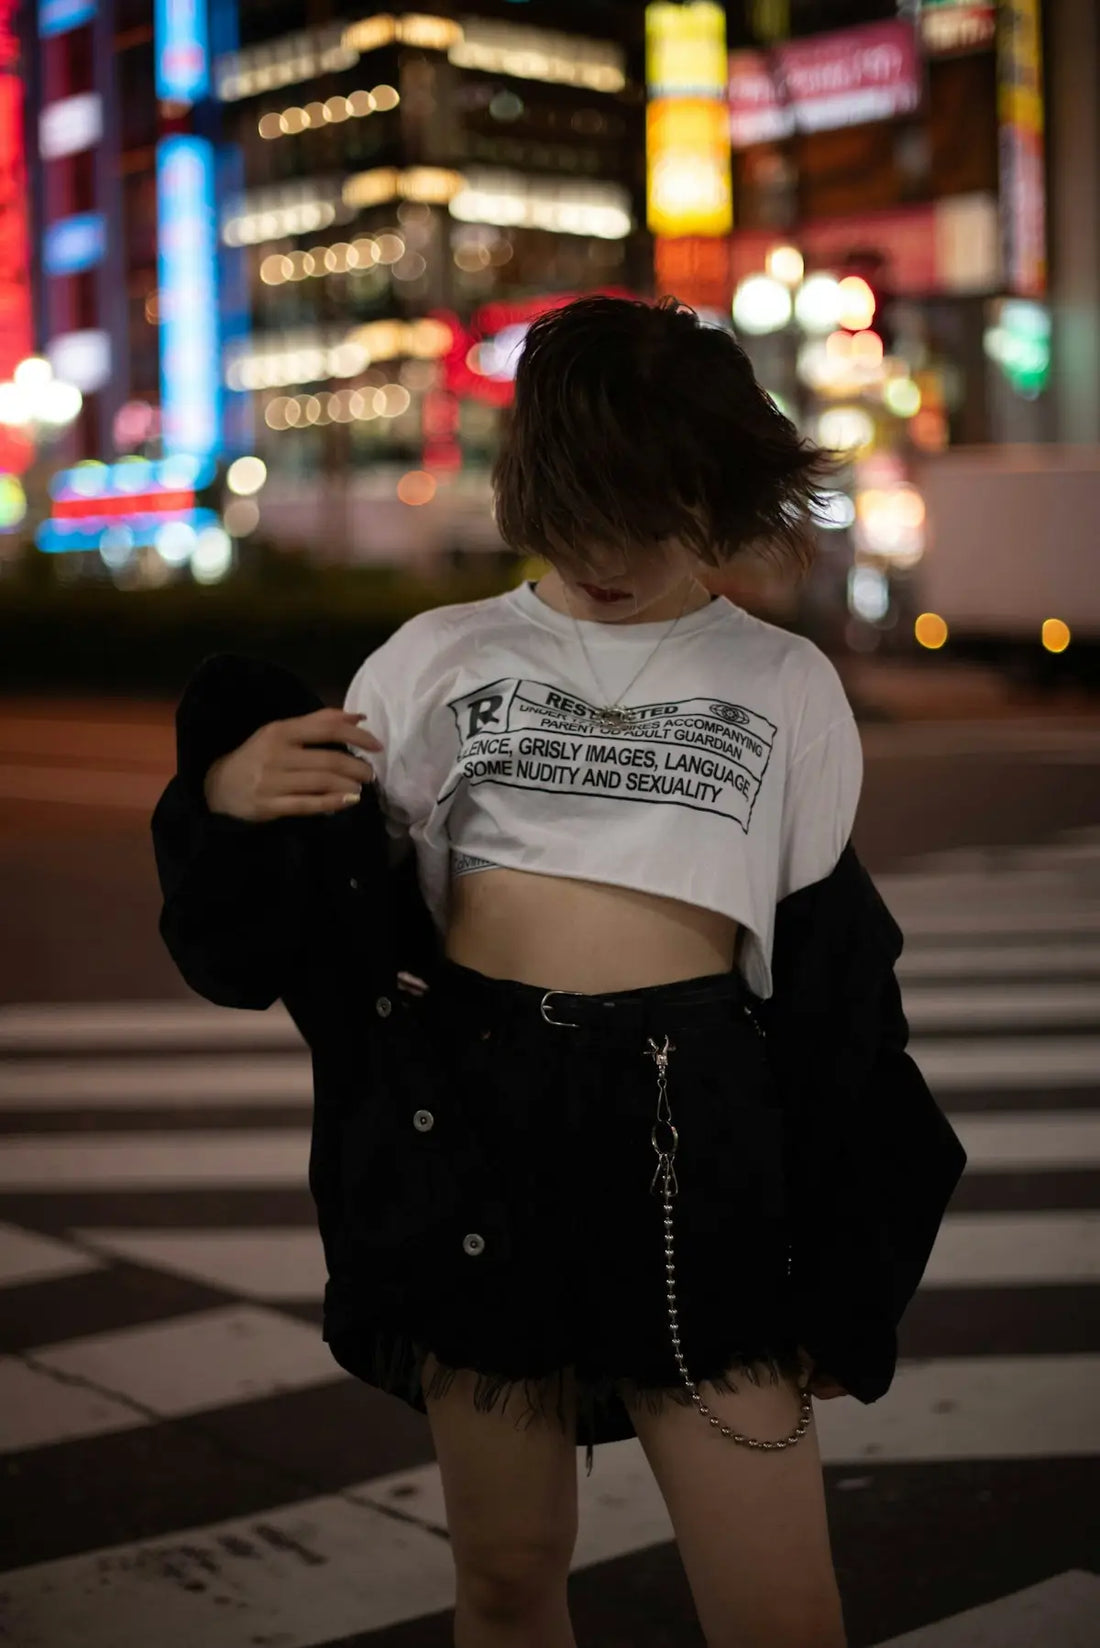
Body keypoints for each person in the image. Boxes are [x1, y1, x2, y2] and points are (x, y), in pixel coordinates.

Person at [158, 296, 965, 1648]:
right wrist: (226, 799)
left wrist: (844, 1272)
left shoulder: (785, 686)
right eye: (580, 510)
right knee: (507, 1574)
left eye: (653, 513)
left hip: (690, 1145)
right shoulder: (435, 658)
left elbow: (834, 1005)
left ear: (715, 492)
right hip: (482, 1135)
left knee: (782, 1608)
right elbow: (289, 940)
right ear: (533, 487)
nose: (610, 554)